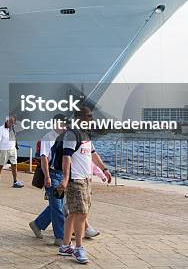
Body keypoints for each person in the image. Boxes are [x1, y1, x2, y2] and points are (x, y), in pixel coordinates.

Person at [58, 105, 112, 264]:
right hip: (76, 180)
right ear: (79, 117)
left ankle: (65, 246)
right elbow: (66, 157)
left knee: (75, 213)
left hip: (86, 179)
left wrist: (105, 169)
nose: (91, 119)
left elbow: (93, 155)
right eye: (89, 116)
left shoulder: (85, 134)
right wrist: (66, 178)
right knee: (81, 214)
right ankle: (79, 248)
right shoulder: (71, 134)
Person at [29, 114, 68, 245]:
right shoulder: (48, 138)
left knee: (57, 204)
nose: (64, 126)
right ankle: (60, 237)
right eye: (62, 124)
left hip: (61, 175)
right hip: (52, 175)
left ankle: (37, 224)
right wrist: (47, 176)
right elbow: (44, 157)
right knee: (57, 206)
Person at [0, 116, 24, 188]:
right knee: (1, 165)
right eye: (10, 121)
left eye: (13, 121)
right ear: (6, 121)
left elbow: (22, 127)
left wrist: (16, 121)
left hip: (13, 149)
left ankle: (15, 181)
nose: (12, 123)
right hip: (4, 150)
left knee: (14, 165)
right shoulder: (1, 129)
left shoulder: (13, 128)